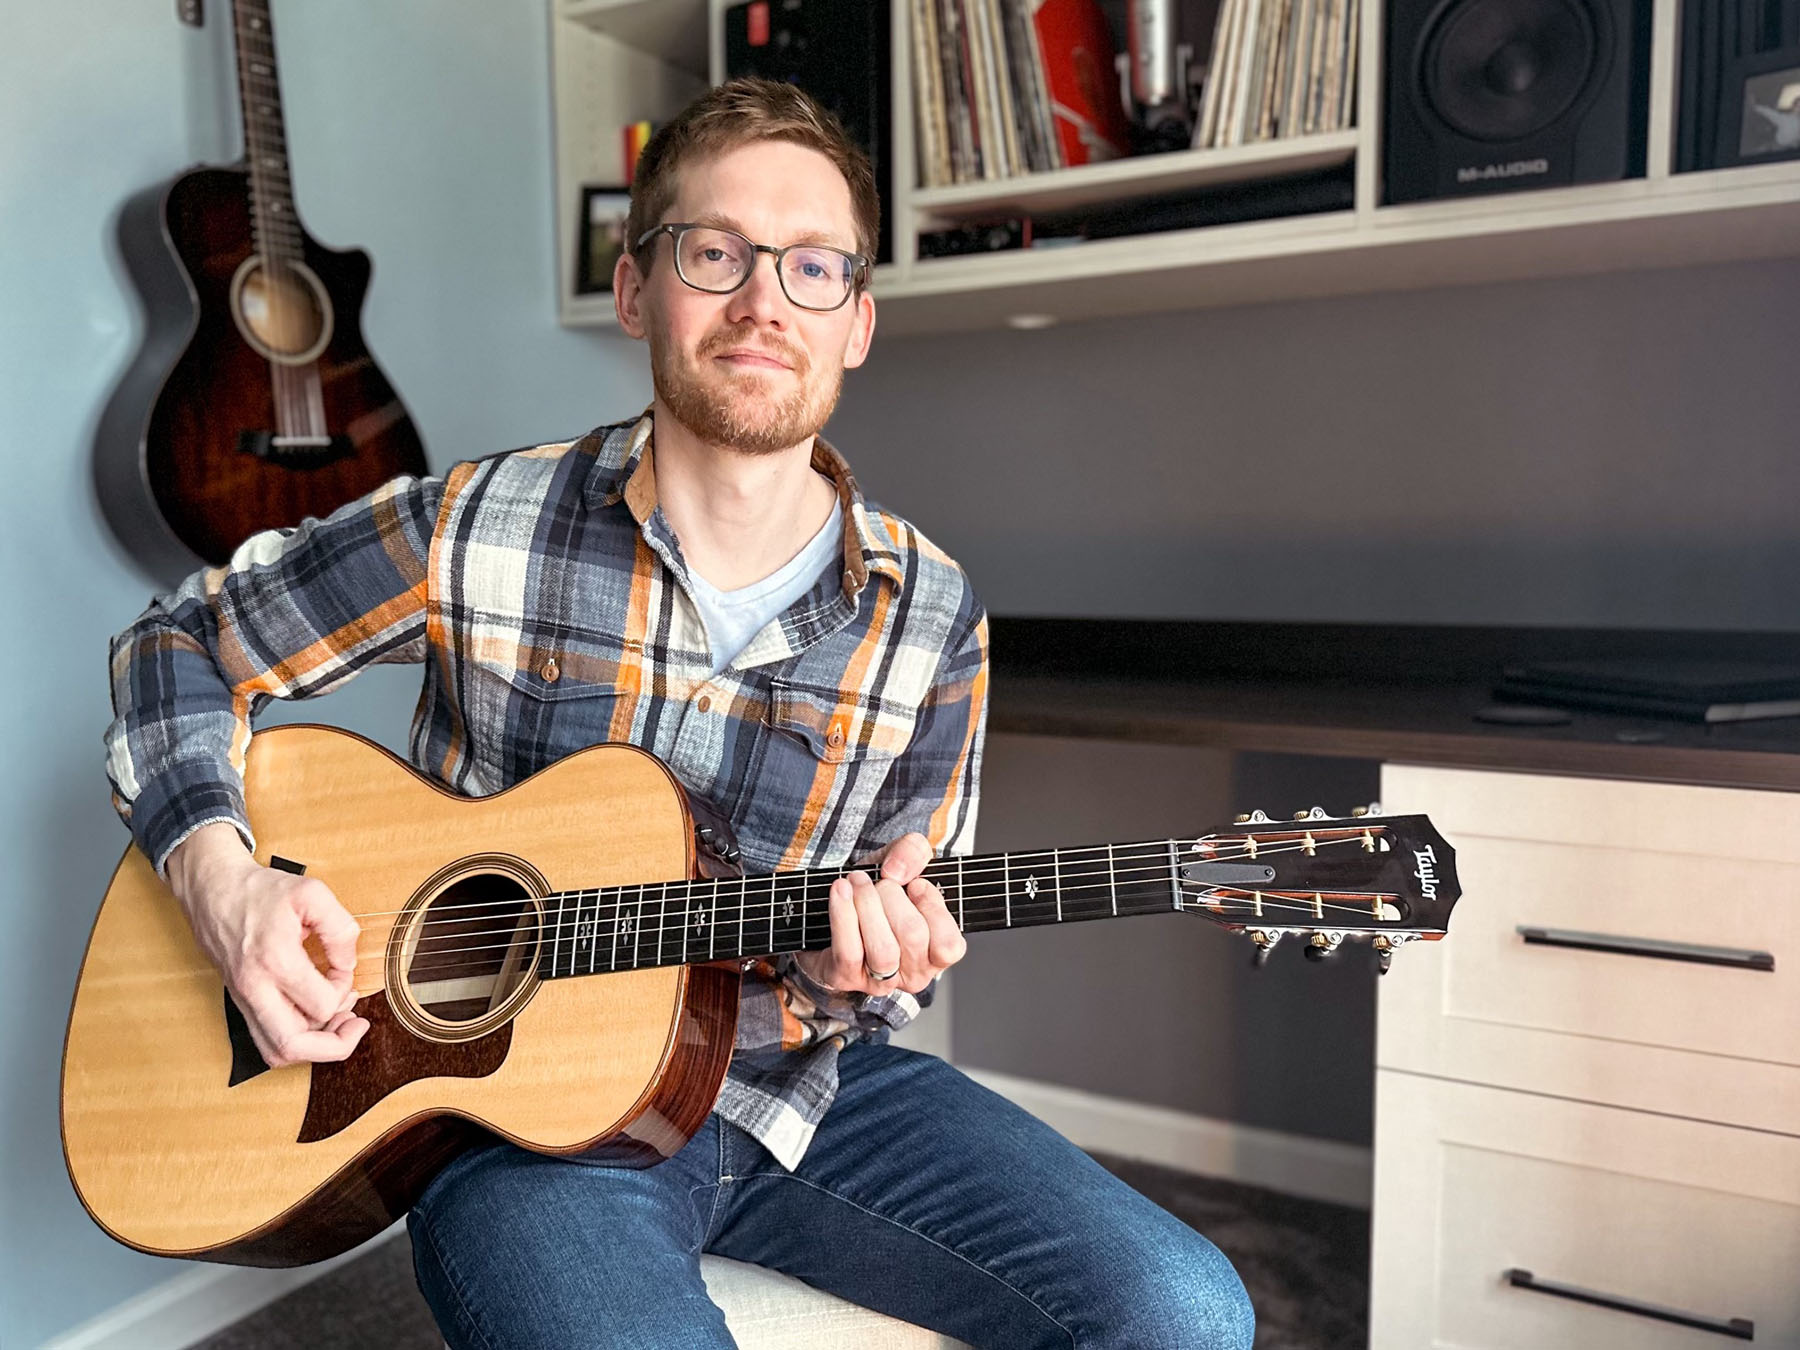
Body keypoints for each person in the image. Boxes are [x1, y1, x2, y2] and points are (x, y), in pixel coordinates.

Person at [104, 78, 1254, 1349]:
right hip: (515, 1129)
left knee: (1185, 1311)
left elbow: (879, 974)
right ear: (638, 290)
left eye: (812, 266)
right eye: (718, 253)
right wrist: (225, 884)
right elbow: (176, 646)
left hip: (804, 1094)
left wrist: (855, 962)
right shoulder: (476, 524)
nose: (766, 301)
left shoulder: (932, 615)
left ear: (857, 322)